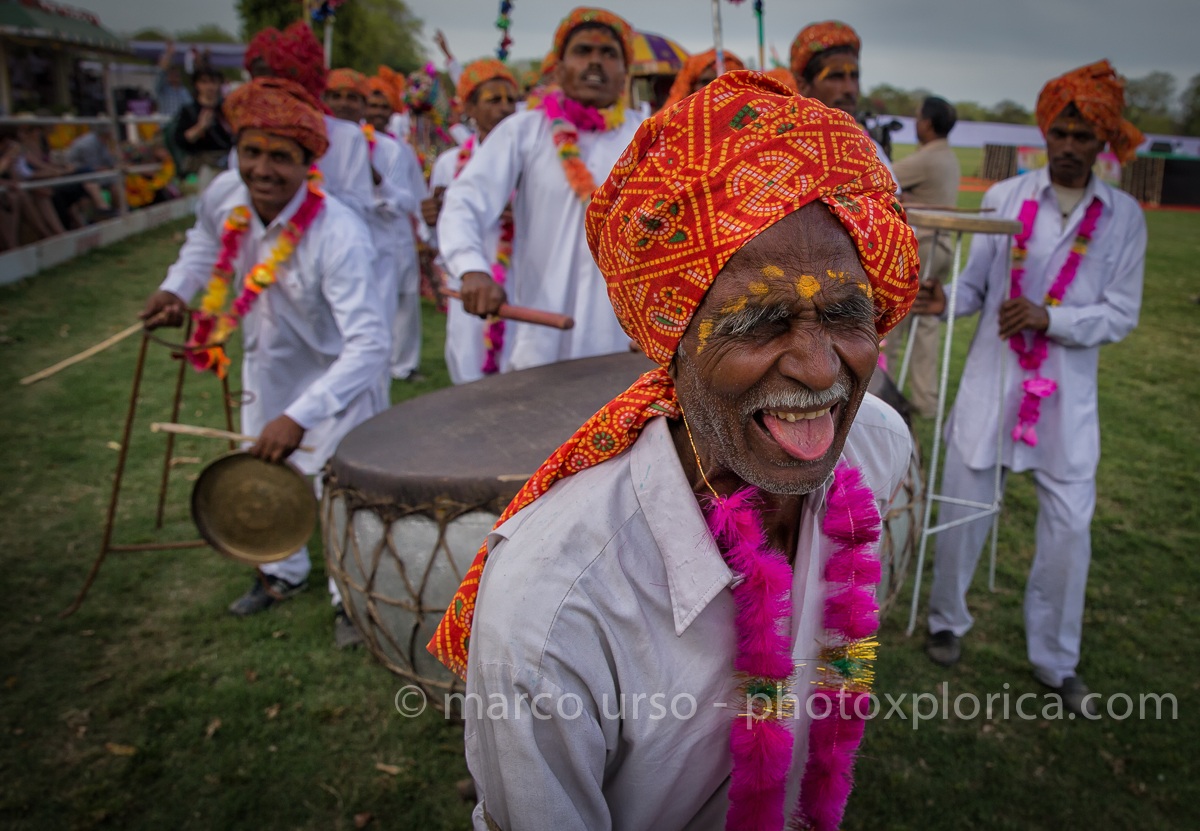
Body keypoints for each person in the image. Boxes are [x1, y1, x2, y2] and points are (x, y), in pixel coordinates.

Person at [429, 71, 919, 830]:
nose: (821, 368)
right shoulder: (554, 610)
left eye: (848, 313)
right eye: (760, 320)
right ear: (669, 334)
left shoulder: (878, 446)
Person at [917, 60, 1146, 719]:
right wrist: (939, 301)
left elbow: (1121, 313)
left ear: (1104, 142)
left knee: (1069, 533)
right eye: (1061, 132)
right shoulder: (1006, 199)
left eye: (1084, 135)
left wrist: (1055, 318)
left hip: (1066, 407)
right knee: (963, 504)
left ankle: (1056, 659)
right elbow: (977, 290)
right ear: (1045, 133)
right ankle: (945, 620)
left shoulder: (1125, 218)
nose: (1070, 146)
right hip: (993, 384)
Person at [138, 77, 389, 646]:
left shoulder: (339, 233)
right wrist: (177, 290)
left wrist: (303, 414)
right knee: (265, 472)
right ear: (236, 152)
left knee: (340, 489)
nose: (263, 169)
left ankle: (349, 599)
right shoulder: (225, 195)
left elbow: (370, 346)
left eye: (281, 157)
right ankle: (280, 573)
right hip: (268, 366)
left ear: (308, 164)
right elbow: (203, 244)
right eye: (251, 152)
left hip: (339, 380)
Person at [437, 7, 642, 373]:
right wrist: (471, 269)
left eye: (609, 54)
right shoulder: (524, 131)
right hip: (542, 340)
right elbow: (465, 201)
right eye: (582, 52)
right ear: (559, 67)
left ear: (625, 71)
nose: (595, 63)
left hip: (626, 344)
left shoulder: (651, 137)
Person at [324, 67, 425, 393]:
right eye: (336, 96)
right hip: (338, 246)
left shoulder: (390, 149)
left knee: (397, 306)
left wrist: (376, 178)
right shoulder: (318, 140)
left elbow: (409, 198)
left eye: (353, 97)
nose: (344, 104)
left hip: (389, 242)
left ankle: (400, 367)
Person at [422, 59, 518, 384]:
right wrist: (434, 219)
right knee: (469, 373)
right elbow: (442, 234)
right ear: (471, 110)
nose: (505, 108)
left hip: (520, 282)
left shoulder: (531, 156)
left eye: (510, 100)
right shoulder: (451, 164)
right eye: (494, 100)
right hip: (473, 284)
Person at [243, 22, 374, 222]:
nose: (264, 91)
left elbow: (361, 209)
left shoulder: (347, 137)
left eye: (274, 81)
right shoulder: (248, 138)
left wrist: (299, 192)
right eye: (258, 80)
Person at [883, 96, 961, 417]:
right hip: (942, 248)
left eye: (918, 117)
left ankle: (886, 394)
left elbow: (881, 174)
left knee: (895, 321)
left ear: (927, 123)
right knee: (925, 323)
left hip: (923, 246)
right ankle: (925, 400)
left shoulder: (927, 158)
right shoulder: (948, 157)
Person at [789, 20, 896, 179]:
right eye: (836, 76)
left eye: (854, 76)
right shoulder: (784, 147)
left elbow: (895, 201)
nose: (850, 89)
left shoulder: (869, 149)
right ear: (803, 85)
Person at [172, 63, 234, 187]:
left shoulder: (227, 108)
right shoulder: (189, 111)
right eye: (204, 82)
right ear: (197, 85)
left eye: (213, 82)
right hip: (203, 166)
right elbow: (180, 140)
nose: (209, 87)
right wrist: (200, 127)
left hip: (229, 163)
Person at [658, 48, 746, 111]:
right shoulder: (676, 125)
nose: (714, 87)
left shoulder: (751, 119)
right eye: (706, 82)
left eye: (723, 82)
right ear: (692, 86)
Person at [155, 41, 194, 120]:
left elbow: (190, 106)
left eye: (177, 75)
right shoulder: (162, 89)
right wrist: (169, 54)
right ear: (168, 77)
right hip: (166, 123)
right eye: (172, 75)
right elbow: (161, 72)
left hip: (180, 125)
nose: (175, 77)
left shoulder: (184, 90)